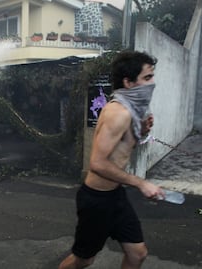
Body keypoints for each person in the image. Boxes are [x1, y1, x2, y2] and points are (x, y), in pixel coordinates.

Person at [59, 51, 165, 269]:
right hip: (96, 201)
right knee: (84, 259)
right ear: (128, 82)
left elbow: (121, 152)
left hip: (115, 195)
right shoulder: (118, 113)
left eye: (152, 76)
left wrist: (141, 132)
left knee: (137, 253)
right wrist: (140, 182)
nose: (152, 83)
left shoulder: (131, 111)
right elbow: (97, 164)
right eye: (147, 78)